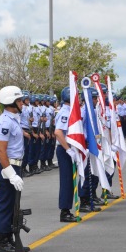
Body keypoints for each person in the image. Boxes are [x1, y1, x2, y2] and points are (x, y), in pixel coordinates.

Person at [0, 86, 29, 252]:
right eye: (19, 100)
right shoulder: (5, 122)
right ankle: (4, 241)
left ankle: (10, 238)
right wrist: (11, 173)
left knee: (13, 205)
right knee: (6, 204)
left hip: (14, 165)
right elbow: (1, 150)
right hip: (7, 166)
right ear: (11, 102)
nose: (22, 103)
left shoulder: (13, 119)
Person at [54, 87, 78, 222]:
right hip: (64, 149)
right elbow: (58, 132)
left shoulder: (70, 110)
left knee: (70, 180)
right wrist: (68, 149)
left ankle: (67, 209)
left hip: (69, 148)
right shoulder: (65, 112)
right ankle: (64, 211)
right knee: (66, 180)